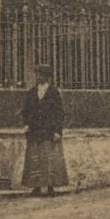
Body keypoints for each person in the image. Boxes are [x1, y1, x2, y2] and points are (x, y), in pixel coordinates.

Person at [20, 64, 68, 195]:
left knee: (49, 159)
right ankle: (36, 186)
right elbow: (26, 111)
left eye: (41, 74)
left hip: (48, 132)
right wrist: (26, 124)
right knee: (35, 159)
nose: (38, 77)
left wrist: (58, 131)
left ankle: (50, 186)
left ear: (47, 77)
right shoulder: (32, 92)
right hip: (35, 132)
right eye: (37, 74)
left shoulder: (54, 93)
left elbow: (59, 113)